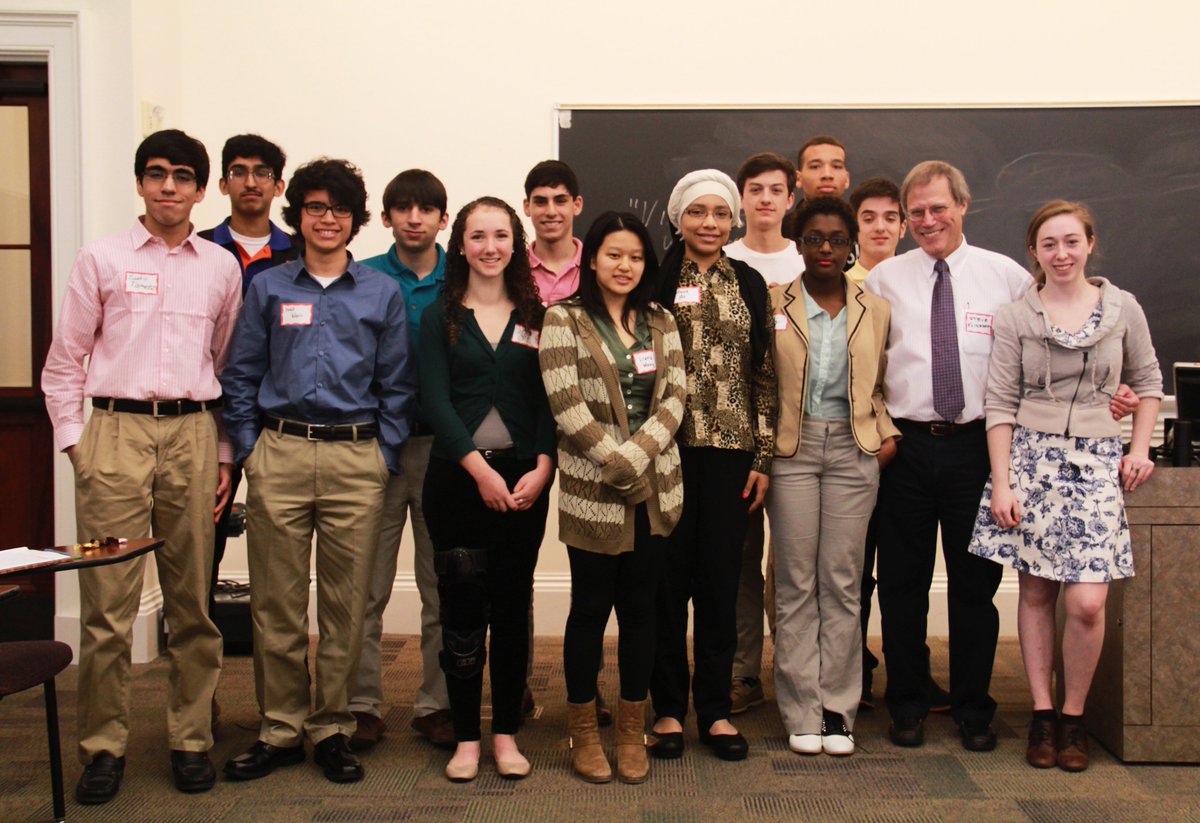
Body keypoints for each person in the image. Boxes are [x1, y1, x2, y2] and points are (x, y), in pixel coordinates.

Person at [863, 161, 1136, 752]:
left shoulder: (1007, 276)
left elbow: (1055, 351)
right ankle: (906, 703)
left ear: (963, 206)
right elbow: (869, 368)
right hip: (906, 447)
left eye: (939, 208)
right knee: (902, 584)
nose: (928, 220)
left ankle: (973, 708)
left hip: (981, 449)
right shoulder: (884, 279)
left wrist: (1108, 394)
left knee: (974, 587)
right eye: (917, 212)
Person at [41, 129, 241, 802]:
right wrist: (80, 445)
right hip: (115, 434)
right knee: (107, 607)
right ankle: (103, 747)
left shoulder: (220, 267)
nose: (168, 186)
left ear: (201, 190)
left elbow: (223, 362)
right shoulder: (100, 258)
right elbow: (64, 361)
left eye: (183, 176)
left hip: (191, 434)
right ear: (139, 183)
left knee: (192, 604)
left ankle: (191, 739)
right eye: (156, 173)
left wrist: (221, 450)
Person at [220, 158, 416, 785]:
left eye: (339, 209)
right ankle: (280, 729)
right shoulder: (268, 287)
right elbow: (241, 374)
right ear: (298, 214)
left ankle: (331, 727)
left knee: (345, 606)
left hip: (356, 459)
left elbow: (397, 384)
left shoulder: (380, 292)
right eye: (315, 208)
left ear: (356, 219)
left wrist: (383, 455)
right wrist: (250, 450)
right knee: (275, 604)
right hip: (279, 453)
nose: (327, 219)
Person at [968, 200, 1162, 772]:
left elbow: (1148, 381)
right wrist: (1002, 484)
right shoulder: (1017, 316)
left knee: (1087, 602)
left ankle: (1075, 717)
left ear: (1090, 244)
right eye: (1049, 244)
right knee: (1036, 593)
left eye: (1071, 241)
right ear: (1034, 251)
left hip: (1097, 463)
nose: (1061, 254)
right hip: (1033, 462)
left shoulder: (1123, 308)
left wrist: (1139, 449)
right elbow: (1000, 403)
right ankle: (1044, 715)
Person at [540, 211, 687, 784]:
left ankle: (629, 731)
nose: (625, 266)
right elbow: (565, 403)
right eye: (613, 255)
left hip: (655, 492)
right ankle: (583, 733)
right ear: (593, 259)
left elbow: (675, 397)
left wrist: (638, 455)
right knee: (589, 611)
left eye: (635, 256)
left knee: (642, 611)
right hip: (592, 492)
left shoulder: (662, 320)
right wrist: (616, 461)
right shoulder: (564, 318)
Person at [419, 196, 555, 782]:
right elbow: (435, 401)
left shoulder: (538, 315)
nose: (490, 247)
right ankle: (466, 738)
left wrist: (544, 465)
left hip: (525, 480)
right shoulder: (440, 316)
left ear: (516, 244)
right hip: (457, 483)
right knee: (461, 610)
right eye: (478, 236)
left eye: (501, 235)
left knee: (512, 606)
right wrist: (480, 471)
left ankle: (505, 734)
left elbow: (551, 397)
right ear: (461, 245)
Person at [650, 169, 777, 762]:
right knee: (667, 585)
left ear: (733, 221)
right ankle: (668, 709)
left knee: (721, 585)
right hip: (666, 452)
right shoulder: (655, 279)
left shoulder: (748, 281)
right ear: (679, 217)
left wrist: (762, 456)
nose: (709, 223)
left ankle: (716, 710)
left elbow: (764, 373)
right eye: (698, 212)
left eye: (721, 214)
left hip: (731, 455)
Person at [767, 197, 899, 758]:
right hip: (792, 451)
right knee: (796, 582)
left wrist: (883, 439)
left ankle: (837, 712)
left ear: (851, 247)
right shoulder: (772, 303)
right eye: (815, 238)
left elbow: (882, 384)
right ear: (798, 243)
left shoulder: (877, 308)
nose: (826, 248)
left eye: (837, 239)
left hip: (853, 450)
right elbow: (760, 380)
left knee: (842, 583)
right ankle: (801, 709)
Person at [350, 169, 453, 750]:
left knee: (442, 587)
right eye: (404, 208)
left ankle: (437, 704)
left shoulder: (463, 280)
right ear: (386, 217)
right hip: (377, 450)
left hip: (444, 452)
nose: (415, 218)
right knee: (366, 587)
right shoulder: (361, 279)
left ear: (443, 217)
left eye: (427, 208)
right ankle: (361, 704)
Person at [199, 134, 297, 663]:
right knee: (203, 552)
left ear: (278, 186)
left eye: (263, 172)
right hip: (208, 419)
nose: (251, 181)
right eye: (239, 171)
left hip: (279, 425)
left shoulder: (299, 253)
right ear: (222, 184)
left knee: (281, 561)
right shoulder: (198, 250)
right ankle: (203, 691)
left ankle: (283, 689)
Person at [724, 151, 804, 716]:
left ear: (791, 198)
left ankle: (797, 674)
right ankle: (743, 673)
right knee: (740, 561)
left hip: (802, 432)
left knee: (797, 565)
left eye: (777, 190)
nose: (766, 199)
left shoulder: (811, 257)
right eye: (756, 189)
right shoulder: (721, 259)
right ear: (742, 198)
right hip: (739, 435)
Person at [525, 159, 585, 304]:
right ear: (527, 207)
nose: (551, 212)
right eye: (541, 202)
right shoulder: (511, 270)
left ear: (577, 205)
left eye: (560, 201)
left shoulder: (598, 267)